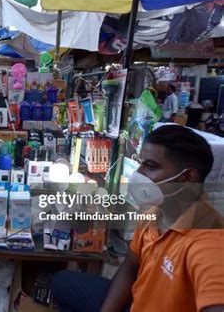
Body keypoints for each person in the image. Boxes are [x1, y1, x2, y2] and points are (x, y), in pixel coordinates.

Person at [52, 125, 224, 312]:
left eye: (150, 166)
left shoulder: (209, 242)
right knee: (61, 282)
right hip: (137, 303)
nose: (138, 174)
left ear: (188, 178)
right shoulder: (153, 213)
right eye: (140, 163)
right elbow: (131, 266)